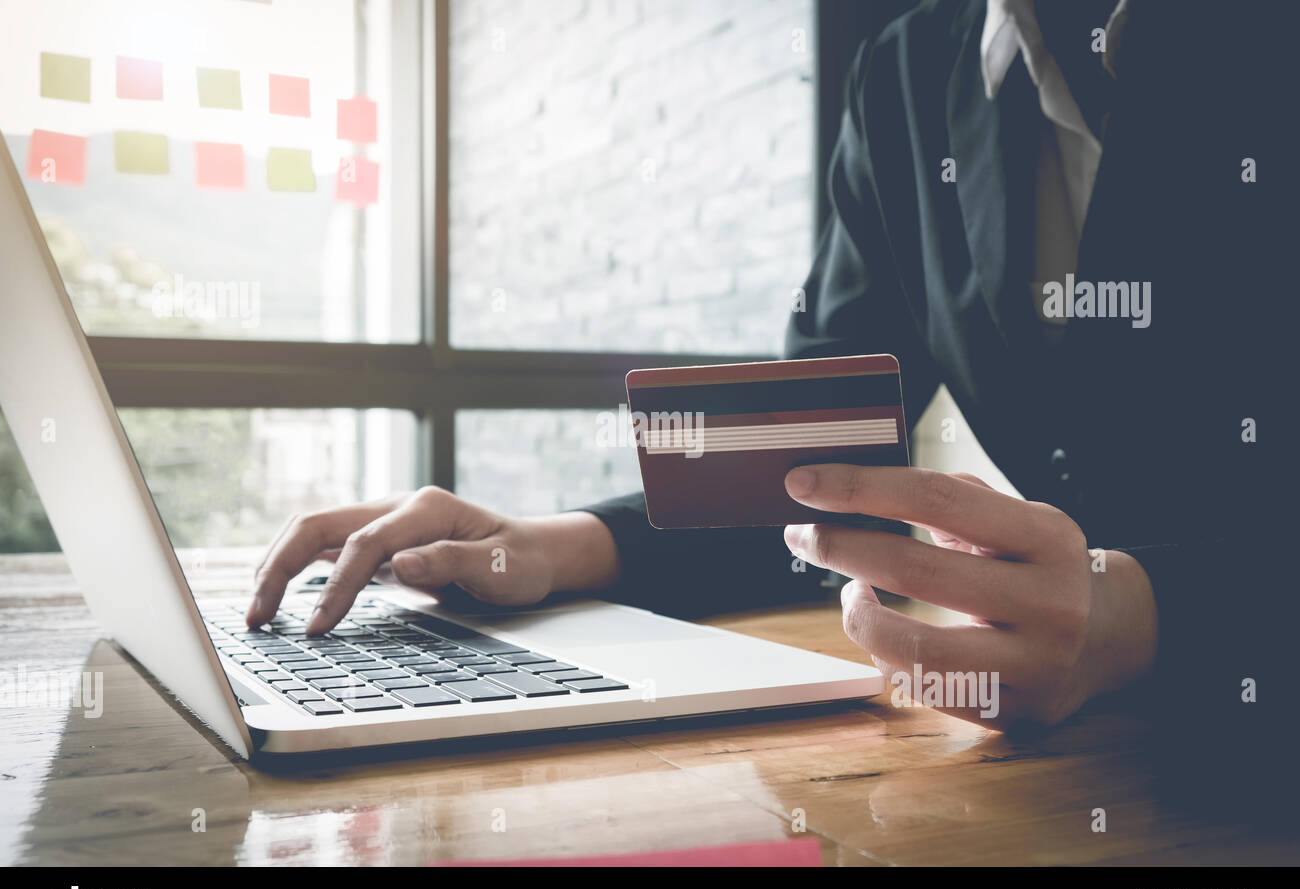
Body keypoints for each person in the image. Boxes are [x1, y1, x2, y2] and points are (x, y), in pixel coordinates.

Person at [246, 0, 1293, 751]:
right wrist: (551, 544)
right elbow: (816, 475)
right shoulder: (902, 76)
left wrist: (1151, 616)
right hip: (1080, 772)